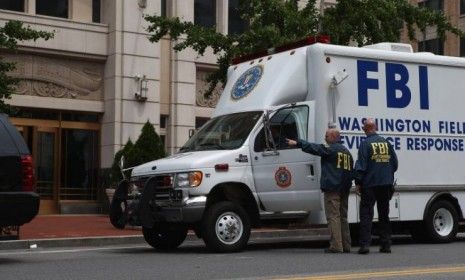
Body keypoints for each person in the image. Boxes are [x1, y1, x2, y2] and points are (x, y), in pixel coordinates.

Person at [287, 128, 353, 253]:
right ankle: (346, 245)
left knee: (333, 217)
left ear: (333, 137)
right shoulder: (347, 152)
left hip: (333, 189)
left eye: (326, 136)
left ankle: (336, 246)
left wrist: (298, 142)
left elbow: (315, 148)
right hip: (344, 188)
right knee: (343, 217)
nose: (325, 139)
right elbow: (351, 172)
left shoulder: (331, 149)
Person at [355, 118, 398, 255]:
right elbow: (395, 163)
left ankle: (365, 245)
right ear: (376, 127)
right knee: (384, 215)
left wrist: (358, 182)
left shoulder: (365, 144)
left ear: (365, 129)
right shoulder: (386, 143)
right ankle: (386, 245)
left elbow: (361, 166)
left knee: (366, 214)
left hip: (370, 184)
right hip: (385, 184)